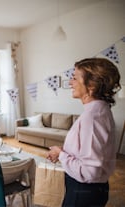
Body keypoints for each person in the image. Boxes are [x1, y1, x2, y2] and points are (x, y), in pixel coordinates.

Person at [47, 57, 121, 207]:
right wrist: (63, 151)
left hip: (83, 192)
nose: (70, 82)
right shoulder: (100, 110)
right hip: (91, 190)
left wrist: (61, 155)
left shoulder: (92, 117)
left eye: (74, 78)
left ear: (91, 86)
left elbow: (90, 172)